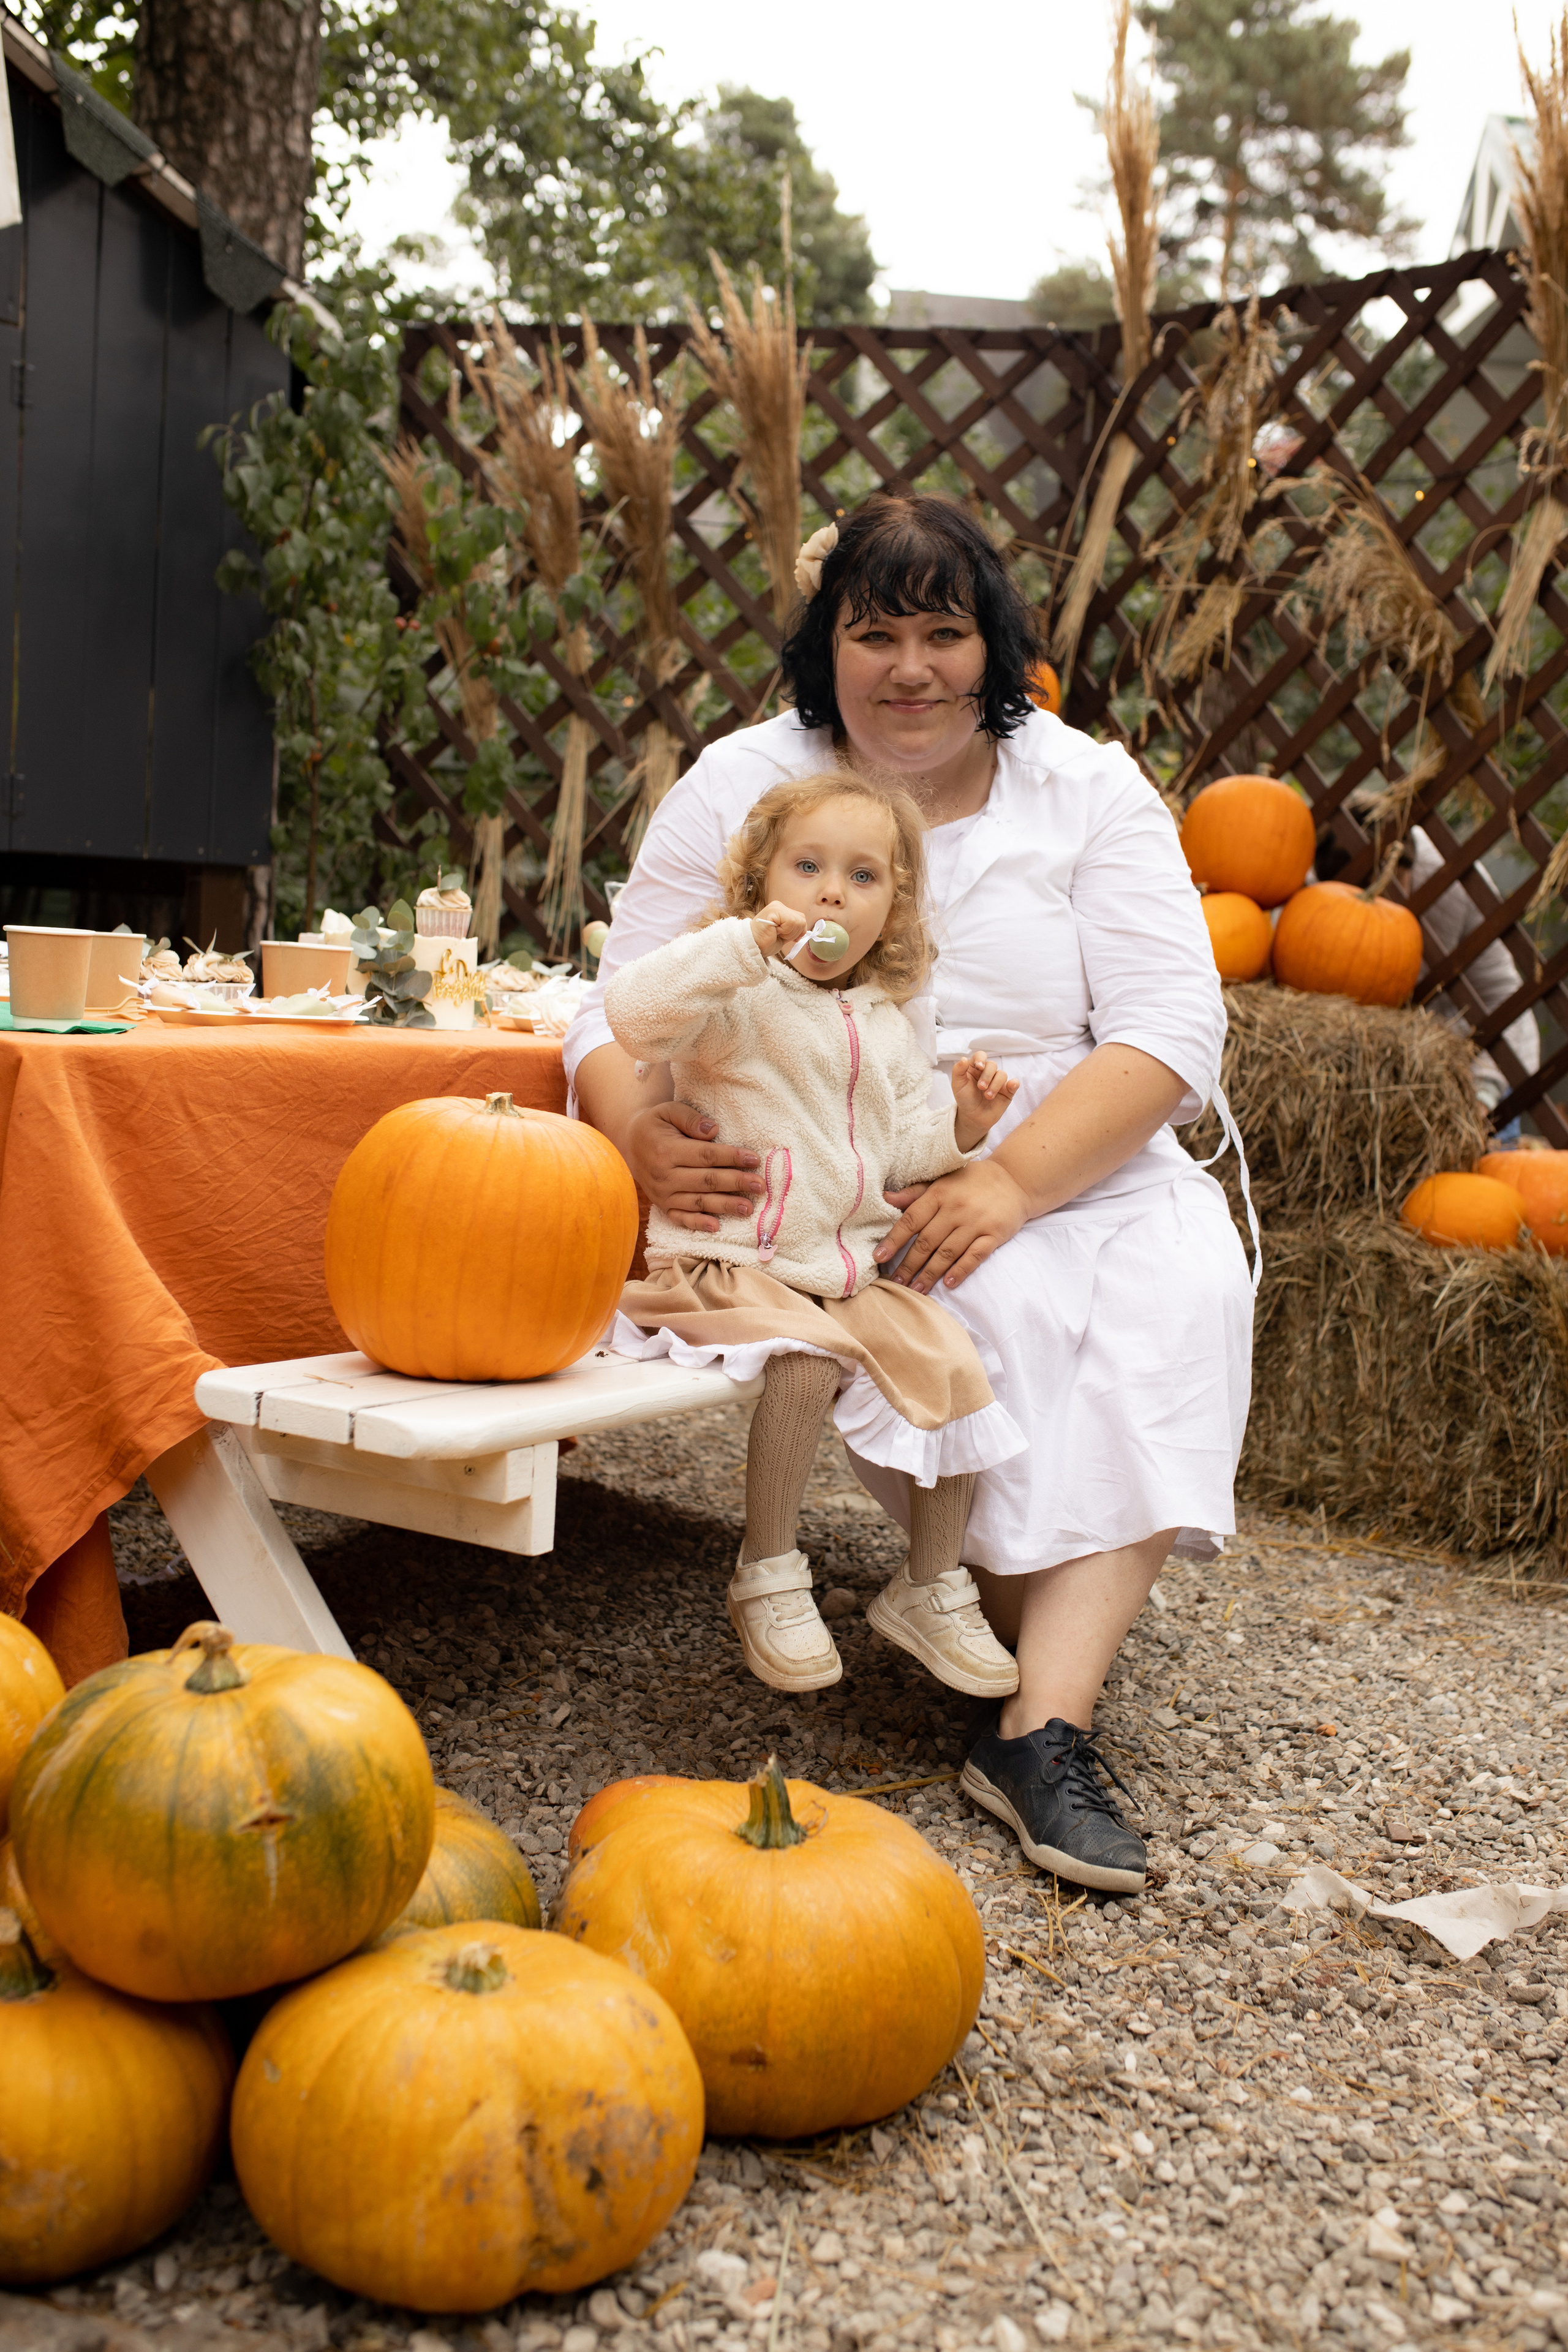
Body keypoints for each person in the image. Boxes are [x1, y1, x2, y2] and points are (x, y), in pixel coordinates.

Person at [567, 492, 1255, 1896]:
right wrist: (640, 1134)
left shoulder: (1084, 789)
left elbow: (1171, 1033)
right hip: (840, 1166)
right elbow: (607, 1004)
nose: (908, 669)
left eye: (943, 634)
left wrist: (1007, 1175)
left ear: (995, 650)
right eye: (871, 634)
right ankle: (997, 1620)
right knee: (959, 1314)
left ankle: (1038, 1730)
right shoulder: (743, 781)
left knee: (1179, 1295)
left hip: (1052, 1144)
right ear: (825, 647)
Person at [605, 771, 1030, 1702]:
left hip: (839, 1270)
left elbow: (891, 1152)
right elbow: (632, 1015)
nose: (832, 891)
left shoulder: (880, 1025)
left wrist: (961, 1125)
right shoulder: (734, 997)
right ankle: (766, 1571)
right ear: (765, 885)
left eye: (863, 876)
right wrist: (740, 945)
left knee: (956, 1354)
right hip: (734, 1260)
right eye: (807, 867)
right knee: (804, 1362)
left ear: (893, 908)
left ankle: (931, 1583)